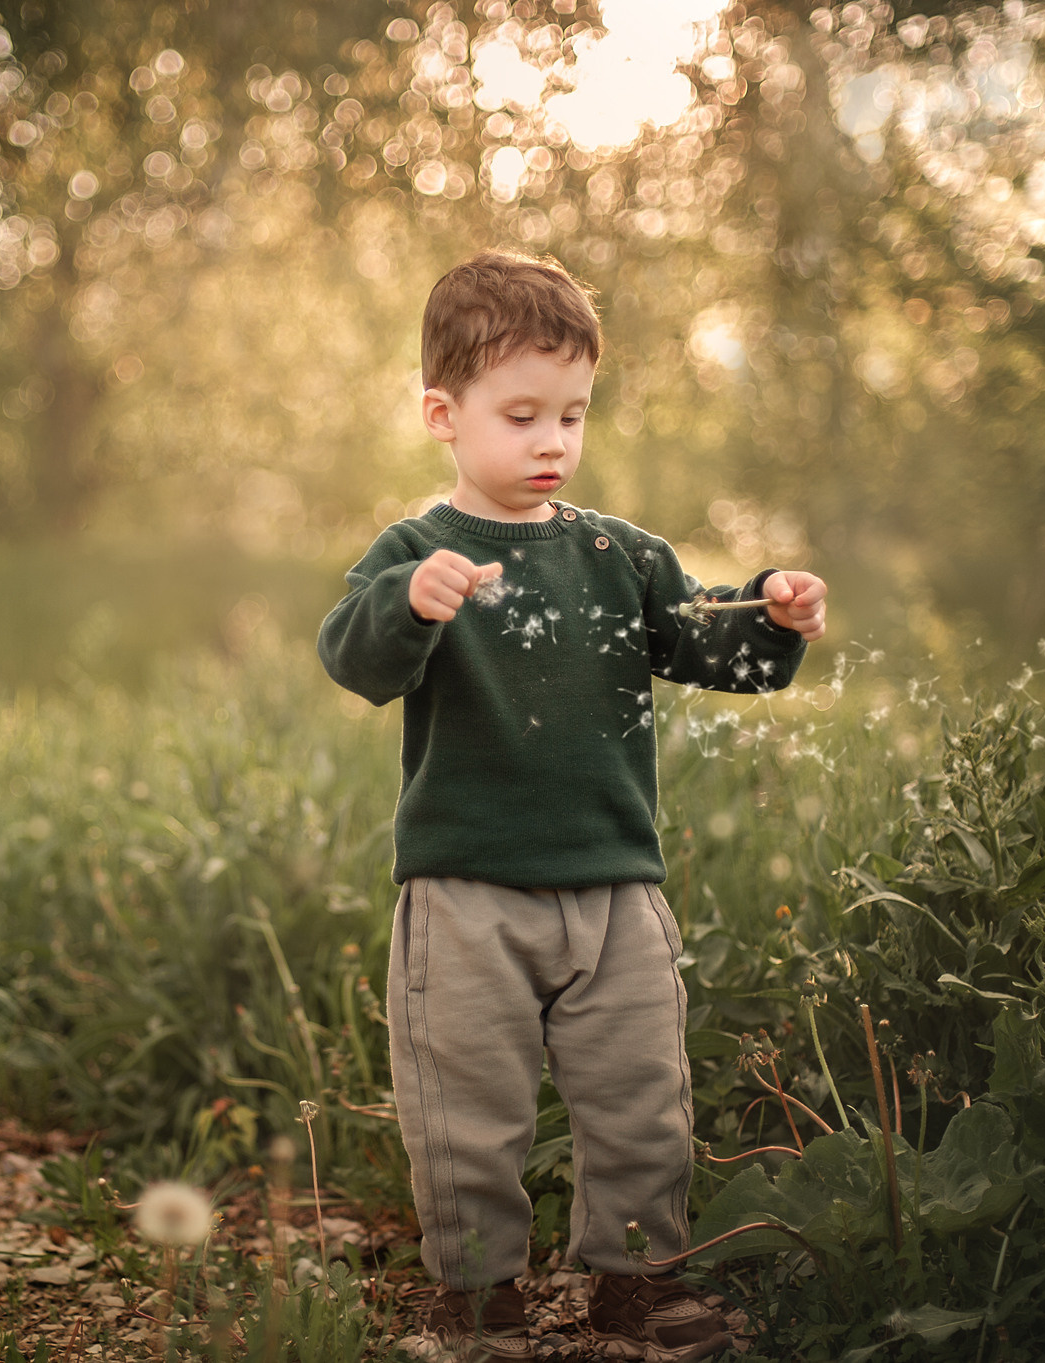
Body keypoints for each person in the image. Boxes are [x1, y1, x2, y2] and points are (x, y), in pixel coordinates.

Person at [317, 251, 827, 1363]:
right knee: (465, 1109)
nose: (550, 441)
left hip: (612, 888)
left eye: (571, 415)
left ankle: (633, 1283)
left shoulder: (617, 555)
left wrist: (776, 616)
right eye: (520, 416)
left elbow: (707, 641)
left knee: (639, 1098)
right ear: (441, 415)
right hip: (462, 893)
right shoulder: (415, 552)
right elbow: (354, 659)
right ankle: (477, 1293)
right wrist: (409, 602)